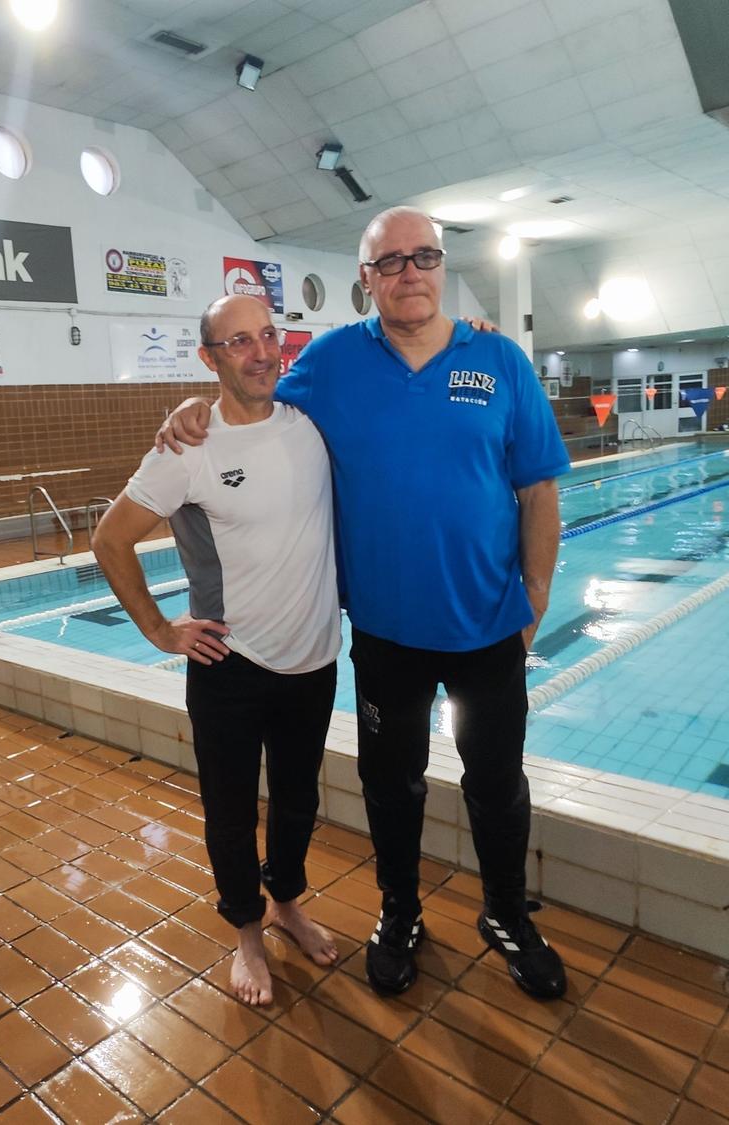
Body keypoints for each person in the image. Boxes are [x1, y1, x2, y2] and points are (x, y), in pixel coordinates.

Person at [158, 207, 569, 1002]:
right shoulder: (334, 362)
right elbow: (249, 393)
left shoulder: (500, 360)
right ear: (366, 280)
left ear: (442, 266)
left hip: (488, 627)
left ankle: (508, 914)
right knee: (393, 786)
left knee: (496, 781)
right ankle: (400, 912)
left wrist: (538, 596)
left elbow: (538, 487)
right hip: (385, 634)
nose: (410, 271)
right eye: (391, 262)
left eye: (424, 257)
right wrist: (187, 412)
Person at [95, 295, 339, 1006]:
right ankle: (248, 935)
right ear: (210, 358)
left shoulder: (310, 423)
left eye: (268, 335)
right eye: (239, 342)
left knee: (297, 799)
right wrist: (159, 629)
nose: (262, 351)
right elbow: (110, 538)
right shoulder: (187, 447)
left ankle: (287, 901)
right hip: (230, 664)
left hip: (314, 658)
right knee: (230, 810)